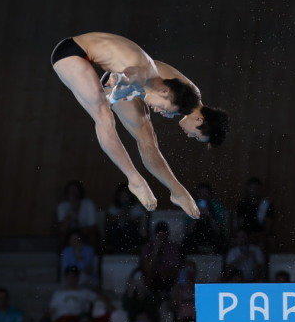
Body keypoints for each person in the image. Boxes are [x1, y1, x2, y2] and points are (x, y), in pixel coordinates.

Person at [50, 32, 228, 216]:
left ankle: (175, 191)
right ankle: (138, 180)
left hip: (132, 83)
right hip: (82, 56)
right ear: (200, 120)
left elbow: (147, 73)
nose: (190, 136)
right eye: (196, 135)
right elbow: (140, 71)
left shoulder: (183, 100)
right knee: (106, 118)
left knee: (147, 137)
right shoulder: (182, 95)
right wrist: (122, 79)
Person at [181, 183, 227, 255]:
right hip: (197, 235)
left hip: (212, 235)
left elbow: (219, 231)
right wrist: (196, 216)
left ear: (210, 195)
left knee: (223, 243)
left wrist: (209, 215)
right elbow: (187, 231)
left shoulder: (217, 206)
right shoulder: (191, 206)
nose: (203, 196)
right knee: (185, 243)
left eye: (205, 193)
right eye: (200, 194)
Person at [104, 184, 147, 254]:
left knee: (129, 225)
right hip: (117, 235)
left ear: (130, 196)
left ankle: (129, 250)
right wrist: (120, 216)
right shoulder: (113, 207)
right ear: (118, 197)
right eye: (122, 196)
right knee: (114, 227)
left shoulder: (136, 207)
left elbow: (138, 222)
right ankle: (117, 250)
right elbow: (109, 222)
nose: (124, 198)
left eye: (126, 196)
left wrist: (128, 215)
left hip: (132, 235)